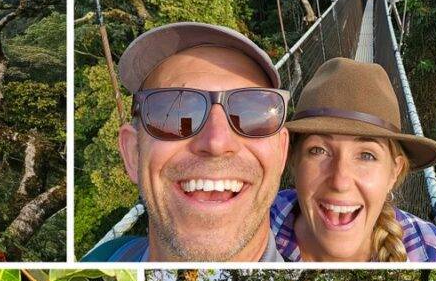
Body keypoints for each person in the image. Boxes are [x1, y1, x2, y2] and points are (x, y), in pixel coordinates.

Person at [84, 23, 290, 262]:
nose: (216, 143)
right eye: (177, 116)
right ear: (133, 154)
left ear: (282, 152)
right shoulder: (102, 260)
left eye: (251, 114)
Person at [271, 57, 436, 262]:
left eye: (366, 155)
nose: (340, 182)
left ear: (394, 172)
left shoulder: (433, 252)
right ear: (292, 159)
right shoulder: (255, 222)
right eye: (318, 151)